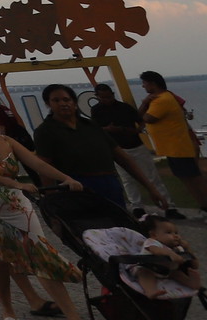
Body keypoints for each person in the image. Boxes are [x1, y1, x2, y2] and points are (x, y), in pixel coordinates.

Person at [0, 97, 85, 320]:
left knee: (38, 252)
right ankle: (8, 311)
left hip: (15, 203)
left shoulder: (6, 140)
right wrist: (16, 183)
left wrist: (66, 178)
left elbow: (35, 162)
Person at [31, 84, 164, 210]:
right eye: (56, 100)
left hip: (110, 185)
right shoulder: (45, 131)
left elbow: (122, 158)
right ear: (48, 104)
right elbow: (44, 168)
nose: (62, 103)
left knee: (120, 229)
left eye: (66, 99)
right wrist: (54, 200)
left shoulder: (91, 126)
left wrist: (150, 188)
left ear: (74, 103)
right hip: (77, 189)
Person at [89, 82, 177, 215]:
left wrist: (136, 130)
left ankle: (169, 206)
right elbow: (95, 129)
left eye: (109, 97)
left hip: (136, 145)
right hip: (117, 148)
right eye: (103, 98)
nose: (107, 100)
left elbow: (140, 120)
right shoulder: (96, 110)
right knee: (127, 179)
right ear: (97, 97)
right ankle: (137, 206)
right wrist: (108, 129)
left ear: (113, 94)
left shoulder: (124, 107)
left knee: (152, 176)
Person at [83, 216, 201, 301]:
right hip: (146, 267)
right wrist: (171, 254)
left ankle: (190, 283)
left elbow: (194, 264)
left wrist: (187, 249)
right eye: (169, 232)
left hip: (166, 271)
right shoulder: (152, 242)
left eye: (176, 232)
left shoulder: (177, 248)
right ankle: (151, 291)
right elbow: (157, 251)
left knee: (177, 273)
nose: (175, 235)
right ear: (154, 235)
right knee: (144, 274)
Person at [141, 71, 207, 212]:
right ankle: (203, 206)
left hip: (178, 147)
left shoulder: (162, 100)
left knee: (195, 179)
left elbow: (147, 118)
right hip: (172, 148)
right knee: (187, 179)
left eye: (144, 83)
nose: (143, 86)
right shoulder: (163, 98)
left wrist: (144, 103)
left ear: (152, 83)